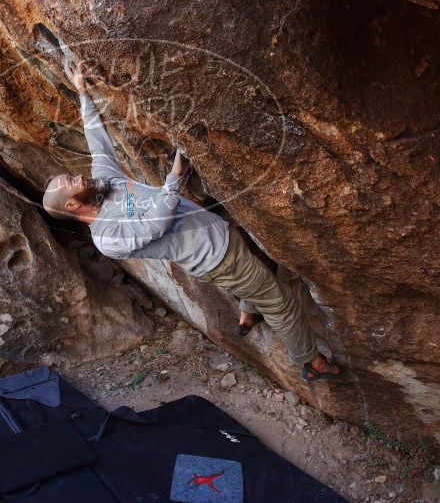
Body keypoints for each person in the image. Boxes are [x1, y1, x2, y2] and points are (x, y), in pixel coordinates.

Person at [43, 61, 341, 383]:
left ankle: (248, 312)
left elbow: (96, 142)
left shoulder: (103, 185)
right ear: (73, 204)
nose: (79, 175)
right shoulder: (107, 238)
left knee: (254, 267)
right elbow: (154, 225)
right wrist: (174, 177)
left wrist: (83, 92)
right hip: (218, 258)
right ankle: (310, 362)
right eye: (71, 180)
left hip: (218, 237)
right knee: (283, 305)